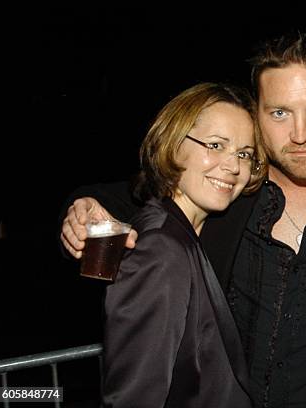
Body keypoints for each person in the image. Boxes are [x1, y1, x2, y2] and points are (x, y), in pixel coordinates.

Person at [62, 32, 306, 408]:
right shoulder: (229, 194)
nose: (301, 134)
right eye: (280, 113)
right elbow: (129, 195)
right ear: (257, 115)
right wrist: (79, 207)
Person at [98, 82, 266, 407]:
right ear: (175, 145)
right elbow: (135, 397)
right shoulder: (160, 249)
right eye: (216, 145)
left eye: (244, 154)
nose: (233, 166)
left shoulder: (184, 234)